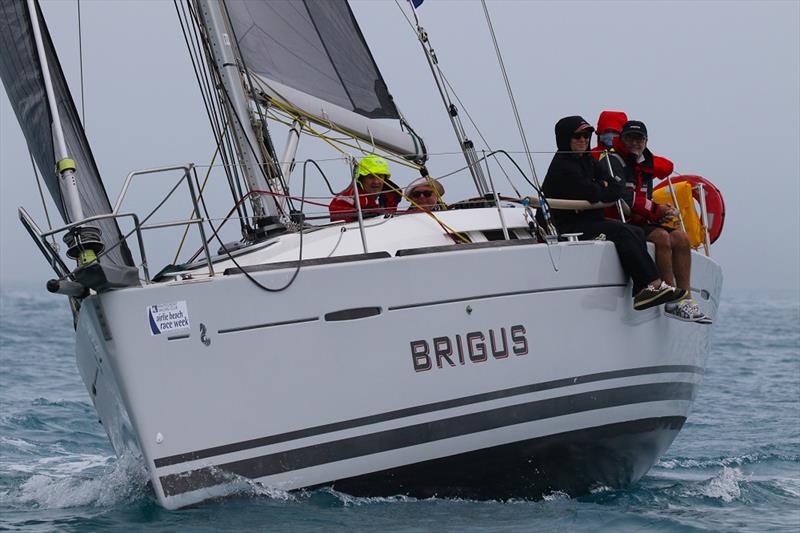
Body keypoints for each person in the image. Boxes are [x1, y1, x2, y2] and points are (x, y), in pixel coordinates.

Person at [538, 115, 684, 311]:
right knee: (623, 233)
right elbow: (591, 192)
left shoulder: (588, 160)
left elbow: (616, 188)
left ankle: (643, 287)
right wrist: (601, 188)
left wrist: (601, 188)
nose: (583, 140)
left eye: (587, 135)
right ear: (565, 138)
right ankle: (652, 285)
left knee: (636, 232)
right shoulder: (563, 165)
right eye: (577, 136)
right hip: (567, 225)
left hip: (588, 219)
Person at [617, 120, 711, 323]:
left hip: (643, 218)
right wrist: (656, 212)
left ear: (646, 141)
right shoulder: (616, 163)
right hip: (625, 220)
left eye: (638, 139)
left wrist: (665, 212)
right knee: (661, 237)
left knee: (681, 237)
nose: (634, 143)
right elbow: (625, 199)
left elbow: (646, 198)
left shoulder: (646, 166)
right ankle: (671, 299)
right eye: (629, 138)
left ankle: (685, 298)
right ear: (622, 140)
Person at [329, 155, 402, 223]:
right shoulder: (345, 200)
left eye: (380, 176)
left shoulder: (389, 197)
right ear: (361, 179)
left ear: (385, 179)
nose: (376, 181)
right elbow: (343, 230)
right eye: (371, 177)